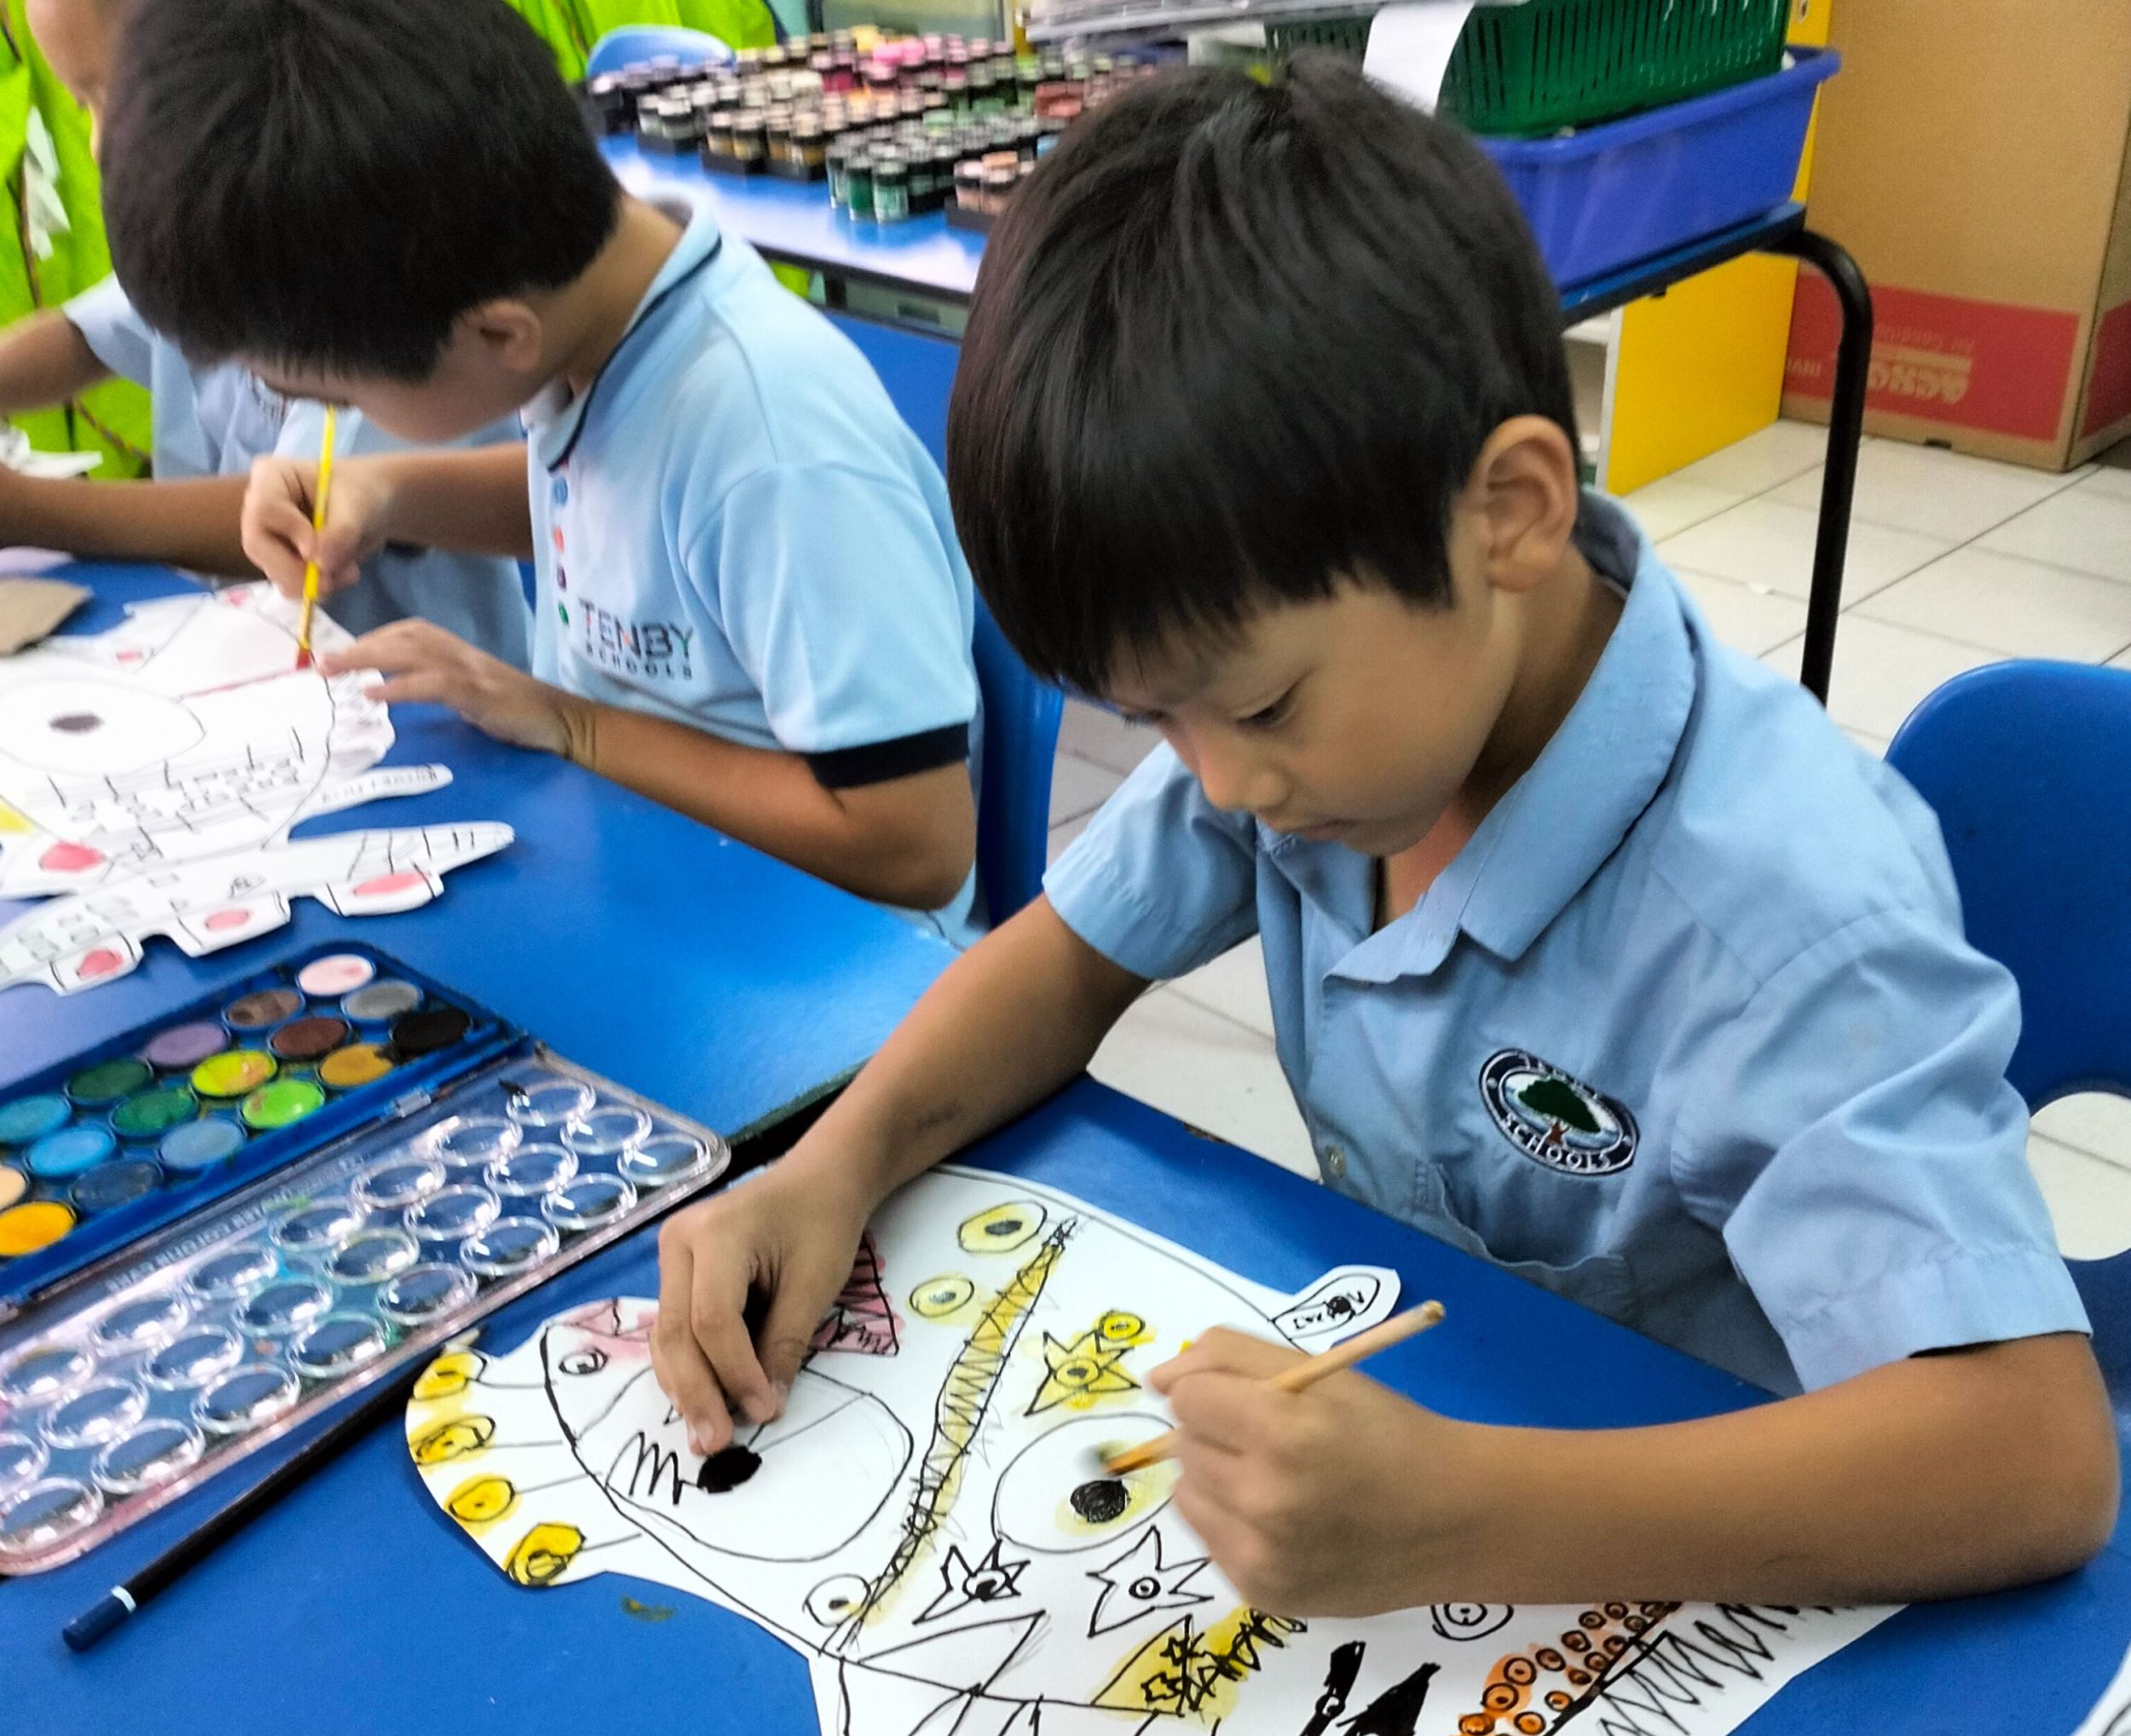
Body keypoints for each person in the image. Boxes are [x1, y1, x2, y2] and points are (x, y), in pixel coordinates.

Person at [647, 60, 2115, 1614]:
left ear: (1509, 512)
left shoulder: (1774, 909)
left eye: (1255, 708)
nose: (1219, 787)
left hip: (1724, 1569)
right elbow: (1063, 961)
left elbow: (2033, 1458)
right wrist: (835, 1163)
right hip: (1457, 1432)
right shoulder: (1315, 739)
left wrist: (1459, 1518)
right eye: (1157, 723)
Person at [100, 0, 982, 940]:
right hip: (642, 872)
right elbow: (634, 520)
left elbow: (914, 843)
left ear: (495, 334)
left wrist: (568, 723)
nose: (330, 424)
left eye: (333, 396)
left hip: (819, 968)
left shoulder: (774, 444)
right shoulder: (594, 322)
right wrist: (388, 491)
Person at [0, 0, 528, 661]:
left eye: (114, 95)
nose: (99, 145)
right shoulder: (197, 214)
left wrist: (28, 511)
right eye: (82, 104)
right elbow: (95, 330)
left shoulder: (344, 218)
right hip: (243, 647)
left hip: (406, 678)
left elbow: (308, 515)